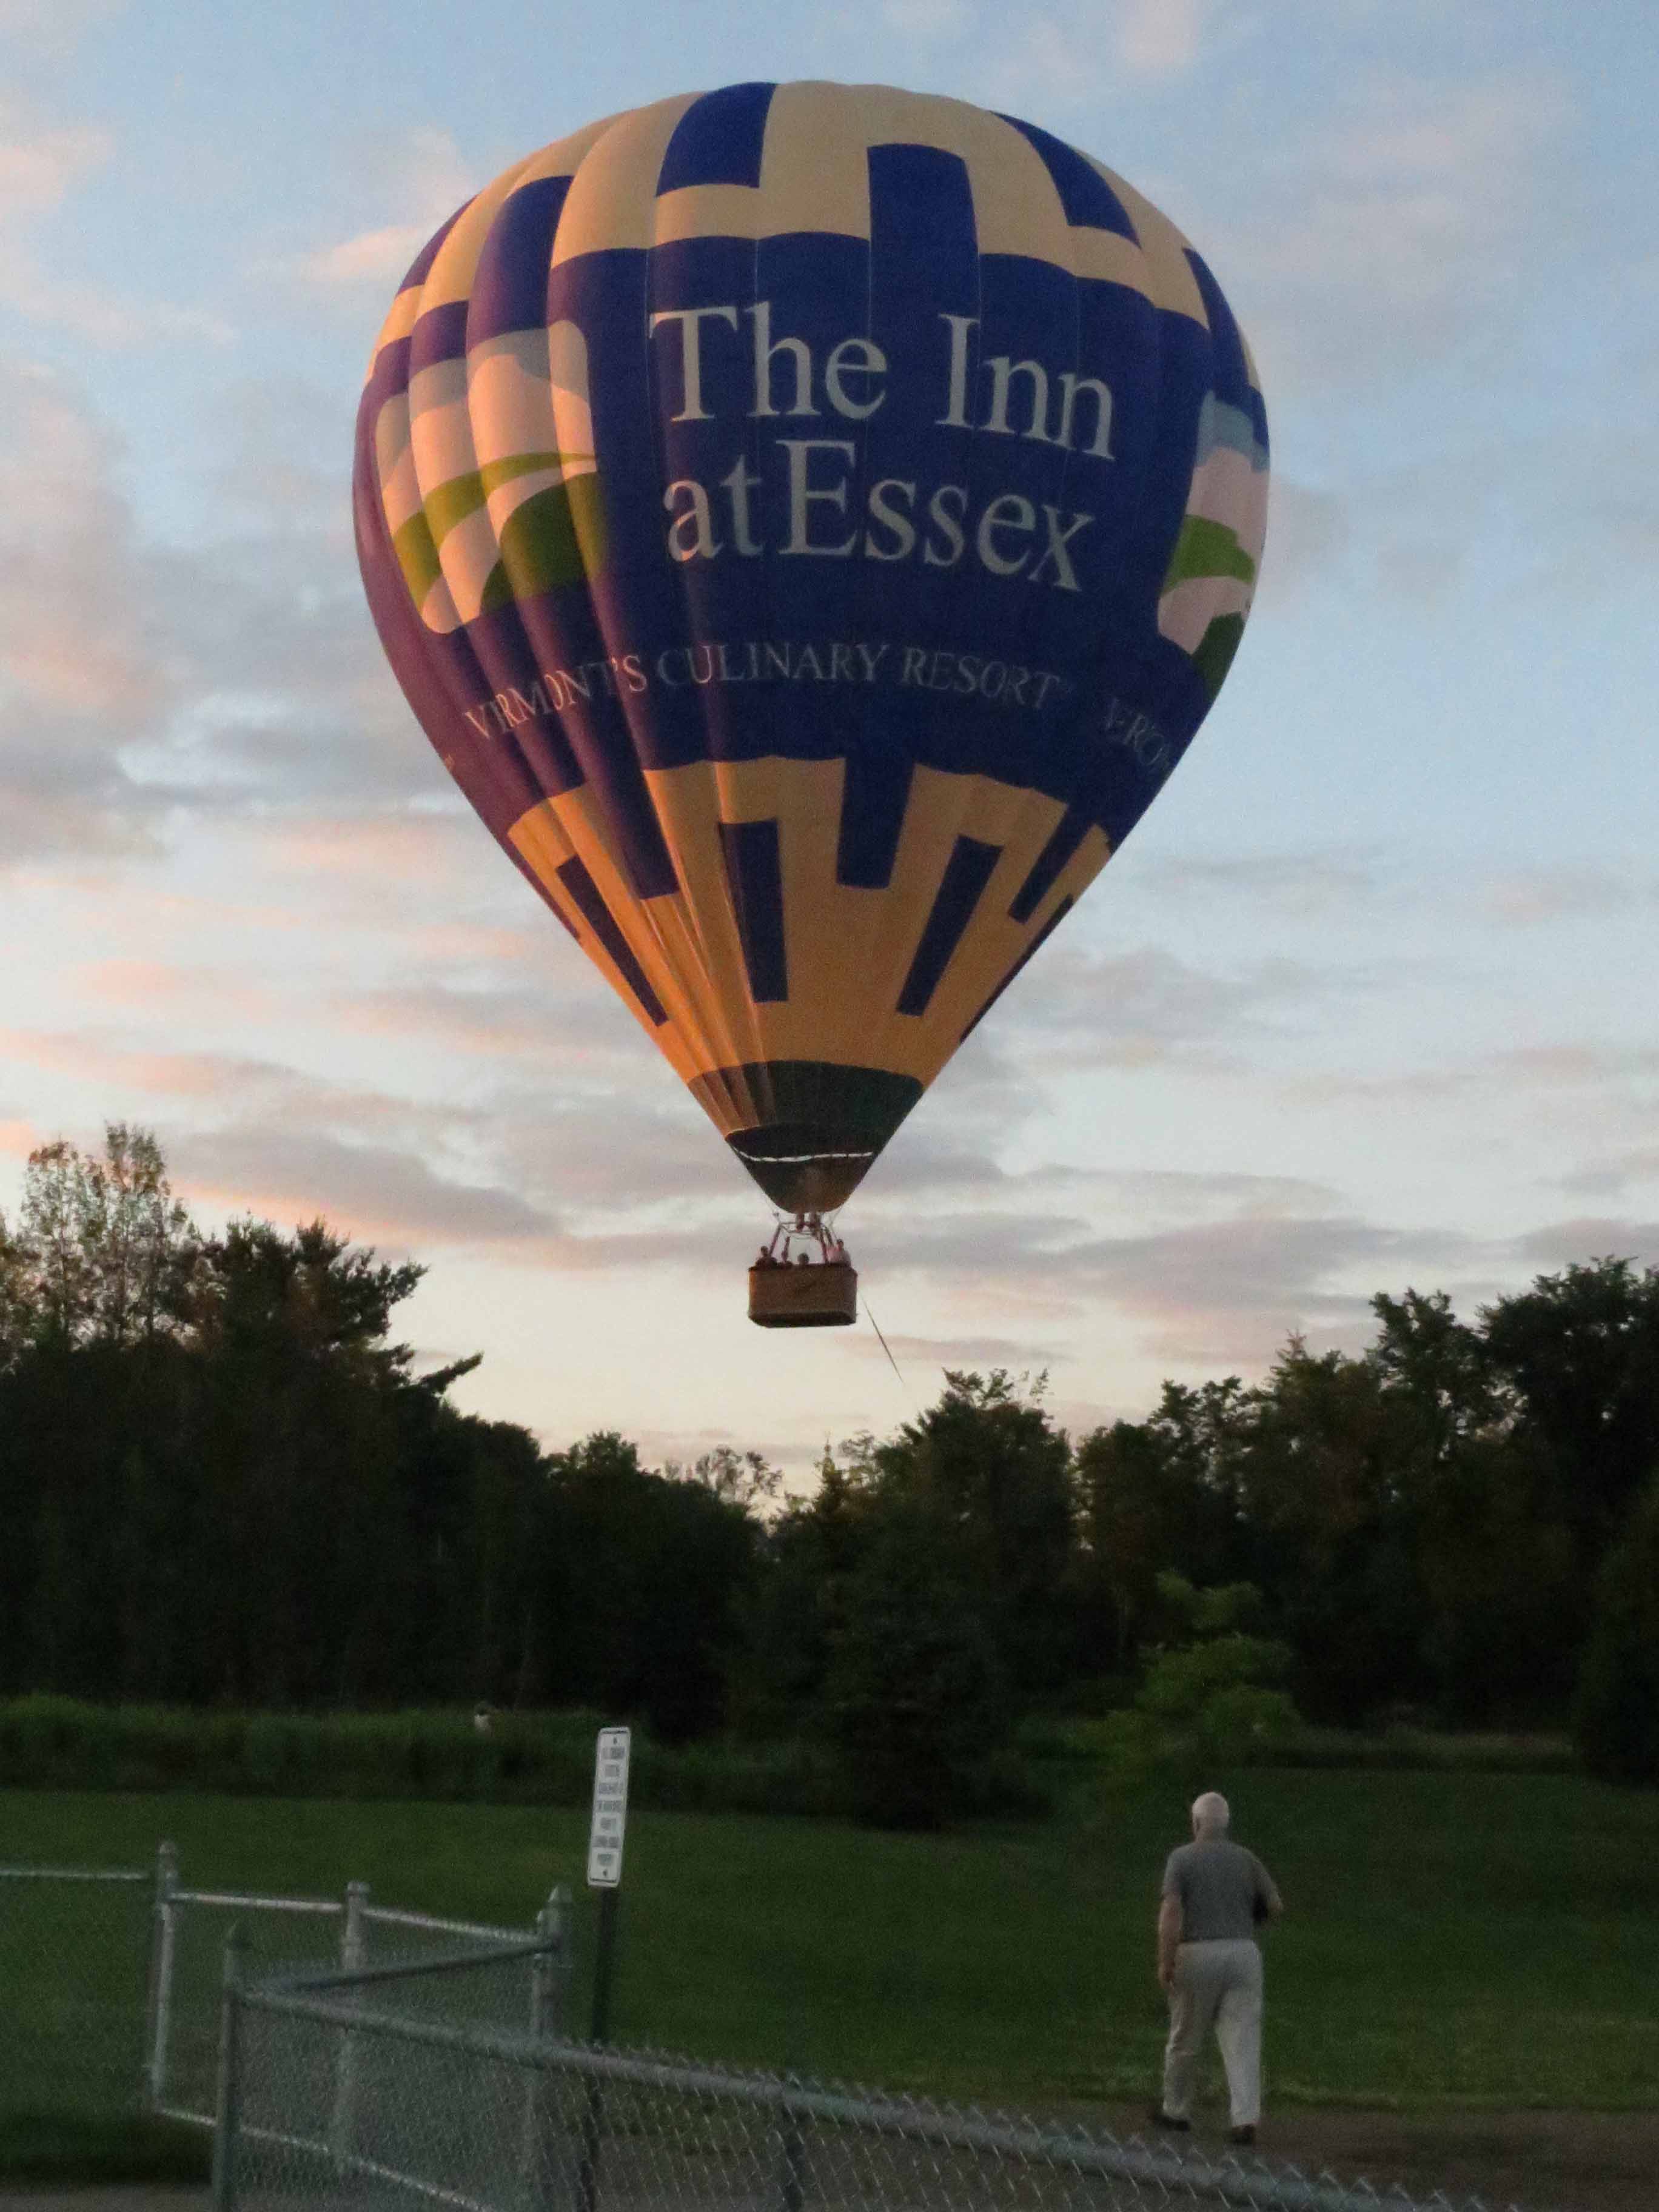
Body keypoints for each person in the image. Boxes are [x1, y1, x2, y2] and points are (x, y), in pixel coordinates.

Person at [1150, 1791, 1282, 2147]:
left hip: (1197, 1952)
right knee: (1243, 2039)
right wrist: (1246, 1920)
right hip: (1243, 1952)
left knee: (1185, 2037)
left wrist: (1166, 1960)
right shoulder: (1246, 1858)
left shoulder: (1181, 1859)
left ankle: (1176, 2110)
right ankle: (1245, 2119)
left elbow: (1171, 1912)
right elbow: (1274, 1904)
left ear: (1196, 1823)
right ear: (1226, 1824)